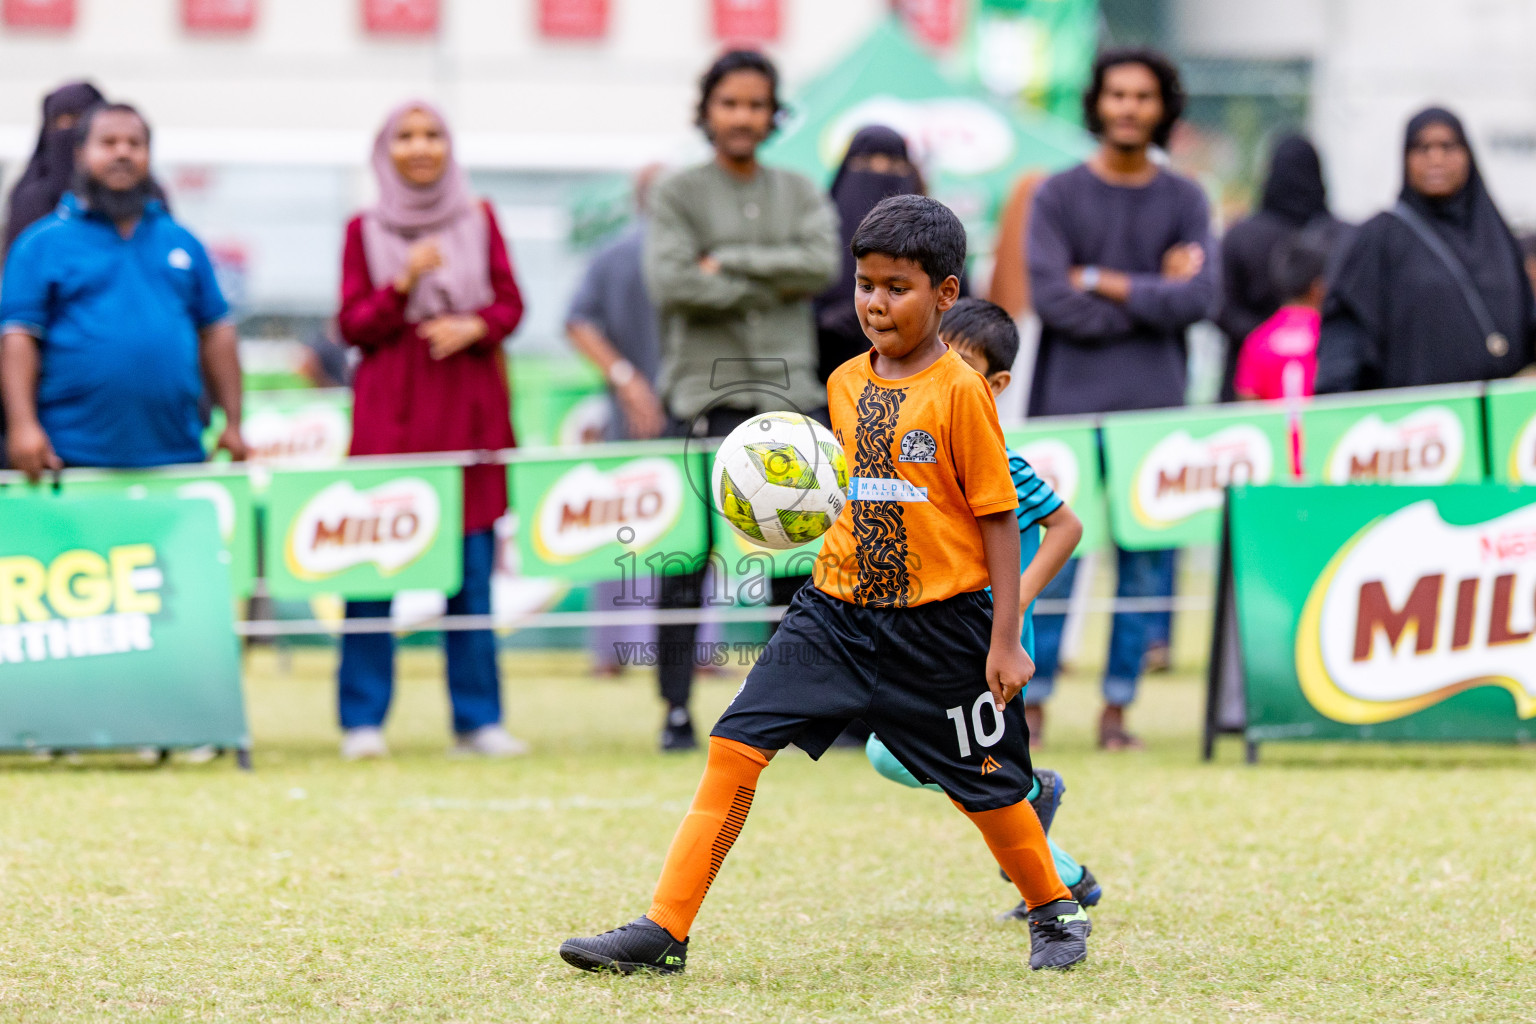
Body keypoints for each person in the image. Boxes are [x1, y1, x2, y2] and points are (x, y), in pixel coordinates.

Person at [559, 195, 1091, 977]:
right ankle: (663, 928)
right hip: (832, 615)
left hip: (942, 631)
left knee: (994, 788)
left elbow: (1001, 521)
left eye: (897, 287)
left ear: (945, 295)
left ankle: (1054, 908)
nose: (876, 302)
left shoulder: (960, 392)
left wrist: (1005, 639)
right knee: (734, 748)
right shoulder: (842, 383)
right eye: (865, 284)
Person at [865, 297, 1102, 922]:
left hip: (990, 643)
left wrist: (1015, 598)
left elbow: (1067, 527)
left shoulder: (998, 459)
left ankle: (1047, 860)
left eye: (960, 363)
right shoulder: (919, 449)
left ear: (995, 386)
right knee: (896, 753)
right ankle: (1057, 854)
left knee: (942, 763)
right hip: (933, 631)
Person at [644, 49, 839, 751]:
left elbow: (820, 265)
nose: (743, 117)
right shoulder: (677, 192)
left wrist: (726, 261)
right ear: (707, 111)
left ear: (773, 114)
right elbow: (671, 284)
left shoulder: (799, 188)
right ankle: (674, 709)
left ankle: (798, 712)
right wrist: (772, 278)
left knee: (800, 565)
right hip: (704, 397)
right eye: (731, 103)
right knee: (684, 563)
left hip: (791, 398)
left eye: (757, 104)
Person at [1025, 48, 1215, 751]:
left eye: (1143, 96)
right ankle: (1033, 704)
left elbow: (1199, 298)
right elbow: (1052, 300)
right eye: (1117, 95)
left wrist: (1100, 279)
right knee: (1051, 561)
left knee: (1144, 563)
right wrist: (1149, 293)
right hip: (1066, 413)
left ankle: (1118, 712)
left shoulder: (1186, 198)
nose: (1130, 107)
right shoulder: (1057, 194)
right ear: (1097, 104)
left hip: (1154, 415)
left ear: (1162, 106)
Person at [334, 101, 526, 761]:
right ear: (385, 151)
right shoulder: (364, 228)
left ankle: (478, 721)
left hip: (465, 407)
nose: (421, 148)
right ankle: (362, 720)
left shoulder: (480, 218)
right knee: (374, 569)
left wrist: (475, 324)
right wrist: (403, 282)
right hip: (392, 417)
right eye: (406, 137)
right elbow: (352, 323)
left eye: (433, 135)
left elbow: (510, 302)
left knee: (471, 575)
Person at [1, 103, 245, 479]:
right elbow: (18, 338)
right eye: (108, 142)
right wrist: (22, 427)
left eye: (135, 143)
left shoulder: (182, 242)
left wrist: (233, 421)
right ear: (80, 154)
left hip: (178, 458)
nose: (122, 153)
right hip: (70, 463)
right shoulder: (41, 244)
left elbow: (217, 331)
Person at [1315, 107, 1536, 392]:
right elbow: (1347, 335)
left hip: (1500, 424)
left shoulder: (1497, 237)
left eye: (1448, 146)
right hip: (1415, 426)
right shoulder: (1379, 239)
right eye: (1422, 148)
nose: (1436, 159)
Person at [565, 164, 668, 677]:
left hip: (627, 417)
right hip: (683, 417)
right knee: (690, 532)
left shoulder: (610, 256)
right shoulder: (697, 258)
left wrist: (624, 379)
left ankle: (612, 653)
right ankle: (694, 651)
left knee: (617, 529)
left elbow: (577, 322)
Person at [1216, 135, 1343, 401]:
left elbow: (1219, 306)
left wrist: (1269, 341)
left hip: (1249, 383)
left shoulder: (1242, 237)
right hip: (1326, 378)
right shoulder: (1342, 237)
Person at [812, 125, 923, 383]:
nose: (880, 171)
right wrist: (821, 319)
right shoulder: (815, 230)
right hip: (824, 375)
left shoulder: (934, 236)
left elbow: (954, 301)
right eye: (867, 162)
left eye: (893, 164)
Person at [4, 81, 104, 255]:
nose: (65, 130)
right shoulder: (29, 199)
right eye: (57, 122)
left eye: (76, 119)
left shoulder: (140, 199)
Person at [1233, 230, 1329, 402]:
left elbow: (1247, 406)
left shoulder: (1258, 340)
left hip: (1272, 428)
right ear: (1318, 288)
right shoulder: (1327, 337)